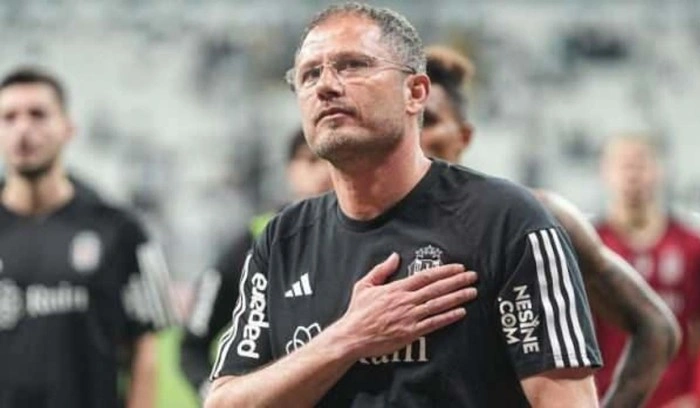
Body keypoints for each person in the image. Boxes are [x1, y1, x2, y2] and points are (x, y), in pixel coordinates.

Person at [206, 3, 602, 407]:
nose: (325, 86)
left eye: (352, 65)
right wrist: (348, 337)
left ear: (415, 93)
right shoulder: (282, 240)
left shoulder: (508, 222)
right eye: (309, 74)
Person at [420, 45, 682, 407]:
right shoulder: (355, 230)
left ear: (464, 136)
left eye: (428, 121)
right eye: (405, 121)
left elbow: (656, 329)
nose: (413, 136)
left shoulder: (533, 217)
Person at [0, 67, 175, 407]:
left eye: (38, 114)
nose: (23, 129)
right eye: (9, 117)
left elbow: (144, 350)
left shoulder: (120, 229)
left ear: (68, 127)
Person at [180, 128, 332, 399]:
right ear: (290, 170)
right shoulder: (256, 239)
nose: (322, 172)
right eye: (310, 160)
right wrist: (217, 397)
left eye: (328, 161)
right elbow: (193, 345)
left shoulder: (365, 233)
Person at [595, 135, 700, 408]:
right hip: (607, 400)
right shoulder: (589, 247)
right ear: (605, 172)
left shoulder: (691, 245)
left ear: (659, 170)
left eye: (640, 163)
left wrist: (697, 397)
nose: (632, 173)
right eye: (623, 164)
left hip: (673, 400)